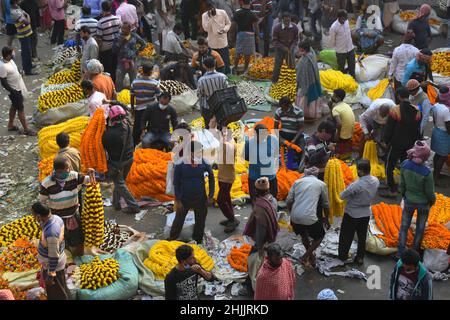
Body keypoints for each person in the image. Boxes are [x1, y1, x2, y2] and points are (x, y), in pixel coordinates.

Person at [39, 157, 95, 257]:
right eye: (67, 168)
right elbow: (42, 201)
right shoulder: (46, 183)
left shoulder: (73, 176)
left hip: (73, 215)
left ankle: (79, 257)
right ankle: (66, 258)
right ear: (58, 171)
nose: (69, 170)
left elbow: (88, 180)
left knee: (78, 238)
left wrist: (91, 174)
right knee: (61, 240)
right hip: (57, 218)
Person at [171, 141, 215, 244]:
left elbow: (211, 177)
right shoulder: (180, 164)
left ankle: (197, 241)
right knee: (178, 221)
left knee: (200, 222)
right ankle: (172, 239)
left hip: (200, 198)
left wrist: (210, 195)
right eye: (198, 152)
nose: (200, 155)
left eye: (201, 152)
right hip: (184, 198)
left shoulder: (203, 162)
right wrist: (178, 199)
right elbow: (176, 182)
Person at [381, 87, 421, 198]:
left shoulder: (395, 110)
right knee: (405, 165)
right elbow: (417, 129)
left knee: (390, 165)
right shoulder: (417, 111)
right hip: (409, 144)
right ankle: (404, 188)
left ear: (399, 96)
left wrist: (385, 140)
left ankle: (392, 189)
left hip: (396, 143)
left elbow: (389, 128)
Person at [397, 141, 436, 256]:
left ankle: (400, 251)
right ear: (425, 157)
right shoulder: (427, 173)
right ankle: (414, 251)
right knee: (420, 227)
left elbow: (402, 184)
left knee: (404, 226)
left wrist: (404, 195)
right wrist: (432, 202)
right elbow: (430, 192)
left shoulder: (404, 164)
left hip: (409, 200)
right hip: (423, 203)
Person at [287, 166, 330, 267]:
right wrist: (326, 219)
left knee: (304, 235)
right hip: (309, 217)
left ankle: (311, 256)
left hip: (295, 217)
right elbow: (326, 204)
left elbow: (288, 201)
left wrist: (291, 213)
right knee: (320, 236)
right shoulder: (321, 184)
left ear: (305, 174)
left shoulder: (297, 182)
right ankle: (305, 256)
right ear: (317, 175)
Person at [338, 159, 379, 265]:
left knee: (346, 236)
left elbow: (342, 195)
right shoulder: (375, 180)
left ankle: (343, 256)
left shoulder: (357, 184)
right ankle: (360, 257)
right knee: (362, 236)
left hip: (352, 214)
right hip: (365, 213)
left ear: (360, 171)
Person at [102, 105, 141, 214]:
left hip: (117, 163)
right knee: (119, 181)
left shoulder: (109, 135)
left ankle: (134, 206)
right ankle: (116, 203)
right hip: (129, 158)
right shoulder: (127, 125)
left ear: (111, 118)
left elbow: (103, 146)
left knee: (119, 183)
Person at [243, 177, 279, 291]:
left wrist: (259, 246)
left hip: (262, 239)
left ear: (256, 191)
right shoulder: (273, 200)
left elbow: (260, 228)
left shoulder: (259, 206)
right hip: (271, 235)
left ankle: (251, 287)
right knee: (266, 261)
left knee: (253, 262)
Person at [32, 202, 70, 300]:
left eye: (34, 214)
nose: (33, 217)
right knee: (62, 287)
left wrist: (51, 275)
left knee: (57, 292)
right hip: (57, 261)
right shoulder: (56, 218)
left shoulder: (51, 232)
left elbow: (54, 255)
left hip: (54, 266)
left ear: (39, 216)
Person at [0, 46, 35, 135]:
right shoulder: (2, 66)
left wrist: (19, 72)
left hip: (18, 87)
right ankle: (26, 129)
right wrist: (12, 91)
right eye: (12, 53)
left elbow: (14, 70)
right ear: (8, 55)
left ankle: (10, 125)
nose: (13, 54)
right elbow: (3, 82)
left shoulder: (10, 61)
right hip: (14, 90)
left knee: (14, 106)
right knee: (21, 109)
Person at [244, 124, 279, 201]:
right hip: (255, 177)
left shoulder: (273, 140)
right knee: (255, 201)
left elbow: (276, 154)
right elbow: (246, 157)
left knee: (272, 199)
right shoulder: (249, 143)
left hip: (270, 177)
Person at [130, 62, 161, 146]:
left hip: (139, 109)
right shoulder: (155, 83)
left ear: (142, 71)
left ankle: (134, 144)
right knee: (151, 127)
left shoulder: (134, 83)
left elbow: (132, 97)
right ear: (151, 72)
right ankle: (151, 143)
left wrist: (133, 108)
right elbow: (159, 97)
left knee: (137, 128)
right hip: (151, 109)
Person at [112, 21, 146, 91]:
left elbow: (144, 44)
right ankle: (118, 95)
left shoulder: (134, 36)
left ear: (129, 29)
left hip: (132, 61)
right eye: (122, 29)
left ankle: (134, 95)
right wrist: (121, 42)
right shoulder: (117, 37)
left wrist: (136, 52)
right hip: (121, 62)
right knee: (119, 81)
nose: (123, 31)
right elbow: (114, 50)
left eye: (125, 29)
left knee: (133, 80)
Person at [217, 127, 240, 233]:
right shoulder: (226, 143)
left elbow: (228, 148)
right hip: (223, 175)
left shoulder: (230, 144)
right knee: (226, 198)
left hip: (227, 177)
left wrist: (224, 137)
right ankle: (231, 217)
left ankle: (232, 220)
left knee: (221, 200)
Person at [196, 57, 228, 128]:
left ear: (204, 66)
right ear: (215, 64)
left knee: (209, 126)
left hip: (207, 107)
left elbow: (199, 94)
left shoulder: (201, 80)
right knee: (221, 126)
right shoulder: (222, 76)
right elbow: (226, 90)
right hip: (221, 106)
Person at [296, 40, 323, 122]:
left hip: (307, 83)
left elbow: (301, 72)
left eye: (300, 49)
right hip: (313, 81)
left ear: (303, 49)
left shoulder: (306, 60)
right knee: (312, 100)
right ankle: (311, 114)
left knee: (305, 100)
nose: (298, 51)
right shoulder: (312, 54)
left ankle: (307, 115)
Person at [202, 1, 232, 75]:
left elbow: (228, 23)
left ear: (215, 6)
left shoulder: (222, 13)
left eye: (212, 8)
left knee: (225, 62)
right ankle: (215, 77)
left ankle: (226, 76)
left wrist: (224, 30)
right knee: (214, 62)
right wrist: (210, 18)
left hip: (223, 42)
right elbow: (206, 29)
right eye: (209, 9)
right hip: (212, 44)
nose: (212, 10)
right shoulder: (204, 16)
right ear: (207, 9)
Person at [96, 1, 122, 82]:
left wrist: (98, 50)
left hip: (105, 49)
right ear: (111, 8)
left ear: (102, 9)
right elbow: (120, 33)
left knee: (106, 69)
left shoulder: (100, 22)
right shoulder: (117, 18)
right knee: (114, 68)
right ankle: (113, 84)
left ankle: (108, 86)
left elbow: (99, 39)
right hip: (115, 48)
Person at [232, 0, 259, 74]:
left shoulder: (238, 12)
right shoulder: (252, 13)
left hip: (240, 34)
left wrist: (232, 36)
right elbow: (256, 26)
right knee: (247, 54)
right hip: (250, 35)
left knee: (238, 53)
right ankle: (245, 70)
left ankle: (234, 69)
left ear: (242, 3)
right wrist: (257, 36)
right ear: (249, 3)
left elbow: (233, 25)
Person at [10, 0, 36, 75]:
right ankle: (27, 70)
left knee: (28, 50)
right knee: (26, 52)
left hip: (27, 32)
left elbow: (26, 15)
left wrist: (26, 16)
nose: (20, 0)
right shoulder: (13, 12)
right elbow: (27, 21)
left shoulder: (17, 7)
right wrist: (27, 16)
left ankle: (29, 65)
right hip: (23, 34)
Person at [271, 12, 298, 84]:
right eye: (285, 21)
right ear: (282, 20)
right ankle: (274, 81)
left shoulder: (294, 27)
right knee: (277, 65)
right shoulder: (277, 28)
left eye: (288, 21)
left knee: (291, 65)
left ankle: (291, 81)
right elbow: (274, 41)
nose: (287, 22)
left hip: (290, 49)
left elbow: (296, 39)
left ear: (290, 19)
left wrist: (291, 47)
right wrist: (284, 48)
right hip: (280, 49)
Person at [430, 94, 450, 187]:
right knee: (442, 156)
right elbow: (448, 127)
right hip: (444, 134)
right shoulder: (446, 110)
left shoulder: (435, 106)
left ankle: (435, 173)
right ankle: (435, 178)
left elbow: (434, 120)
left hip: (437, 130)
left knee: (437, 155)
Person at [330, 89, 355, 160]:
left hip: (343, 136)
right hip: (350, 133)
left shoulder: (336, 109)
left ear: (338, 98)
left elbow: (339, 123)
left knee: (329, 125)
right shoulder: (346, 105)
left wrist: (337, 134)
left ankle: (334, 152)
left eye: (333, 96)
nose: (332, 97)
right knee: (331, 121)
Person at [329, 10, 355, 78]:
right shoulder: (334, 27)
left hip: (350, 49)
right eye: (344, 17)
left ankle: (353, 82)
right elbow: (332, 41)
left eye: (346, 17)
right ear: (339, 17)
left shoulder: (346, 22)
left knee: (352, 68)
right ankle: (342, 85)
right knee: (341, 70)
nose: (346, 19)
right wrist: (338, 48)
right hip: (341, 52)